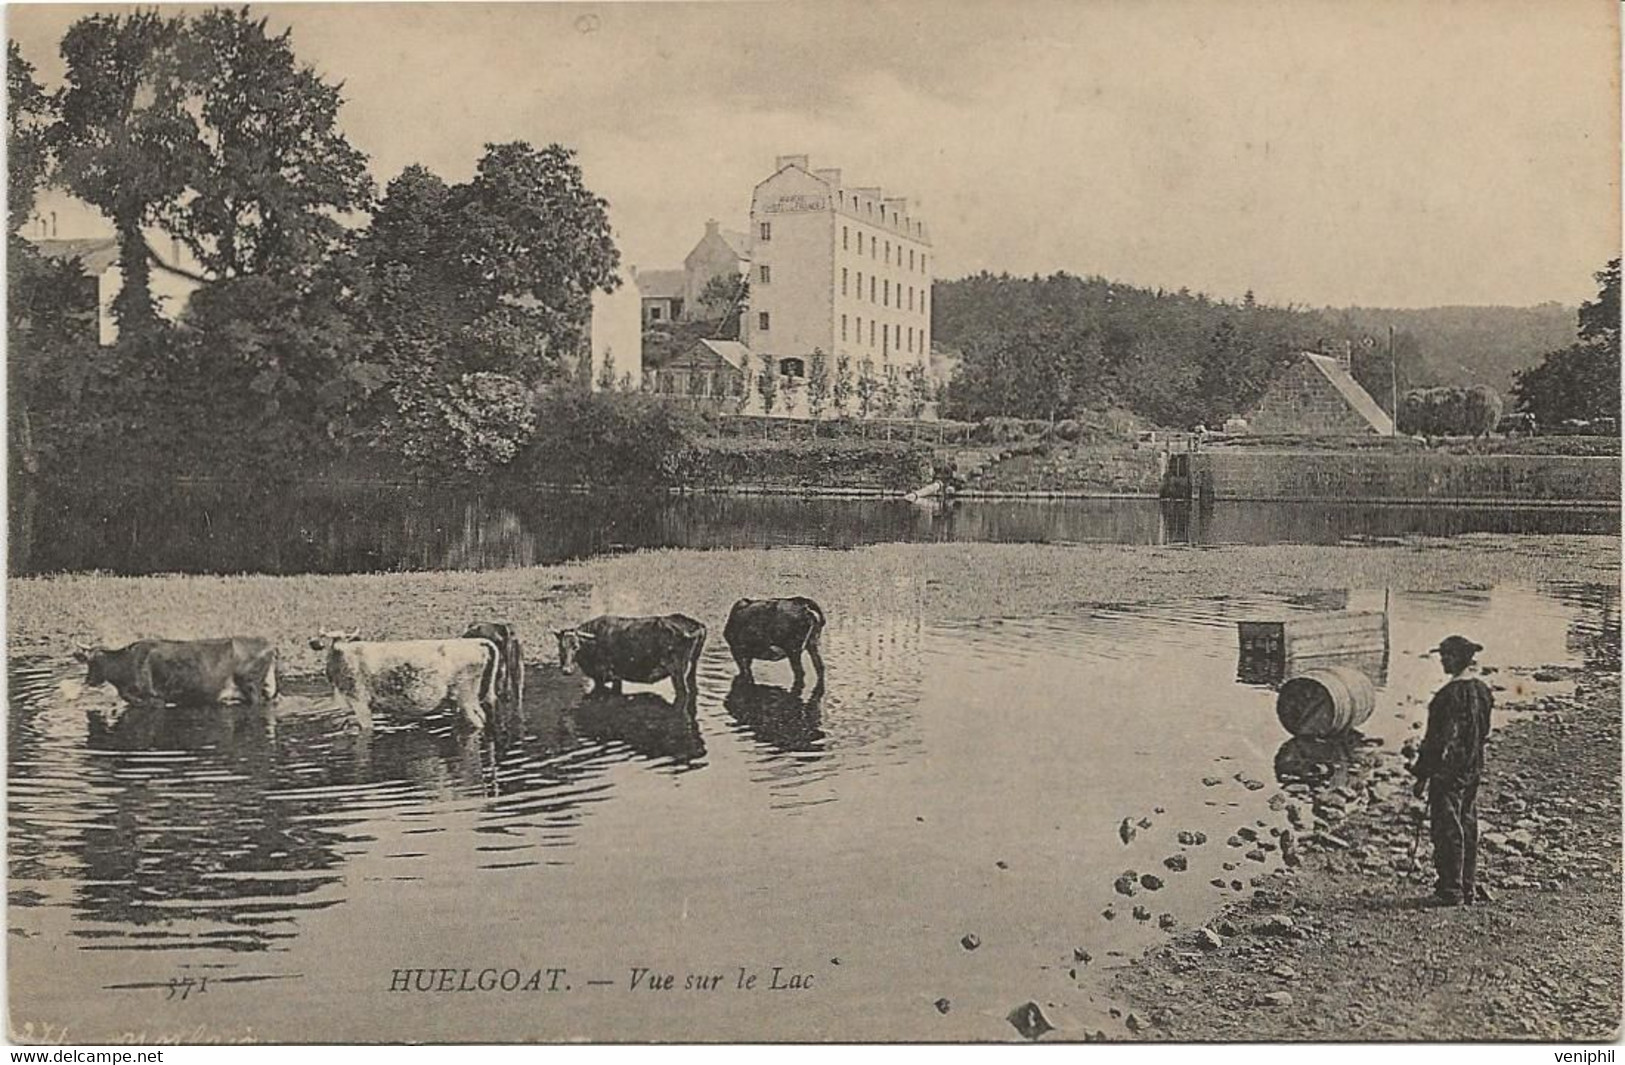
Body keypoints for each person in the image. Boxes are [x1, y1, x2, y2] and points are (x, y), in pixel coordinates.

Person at [1410, 635, 1495, 906]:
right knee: (1467, 824)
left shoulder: (1446, 697)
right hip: (1472, 768)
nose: (1443, 661)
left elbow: (1436, 741)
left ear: (1459, 659)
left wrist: (1422, 774)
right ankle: (1466, 886)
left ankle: (1450, 889)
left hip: (1447, 773)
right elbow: (1484, 732)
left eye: (1447, 657)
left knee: (1447, 829)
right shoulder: (1483, 691)